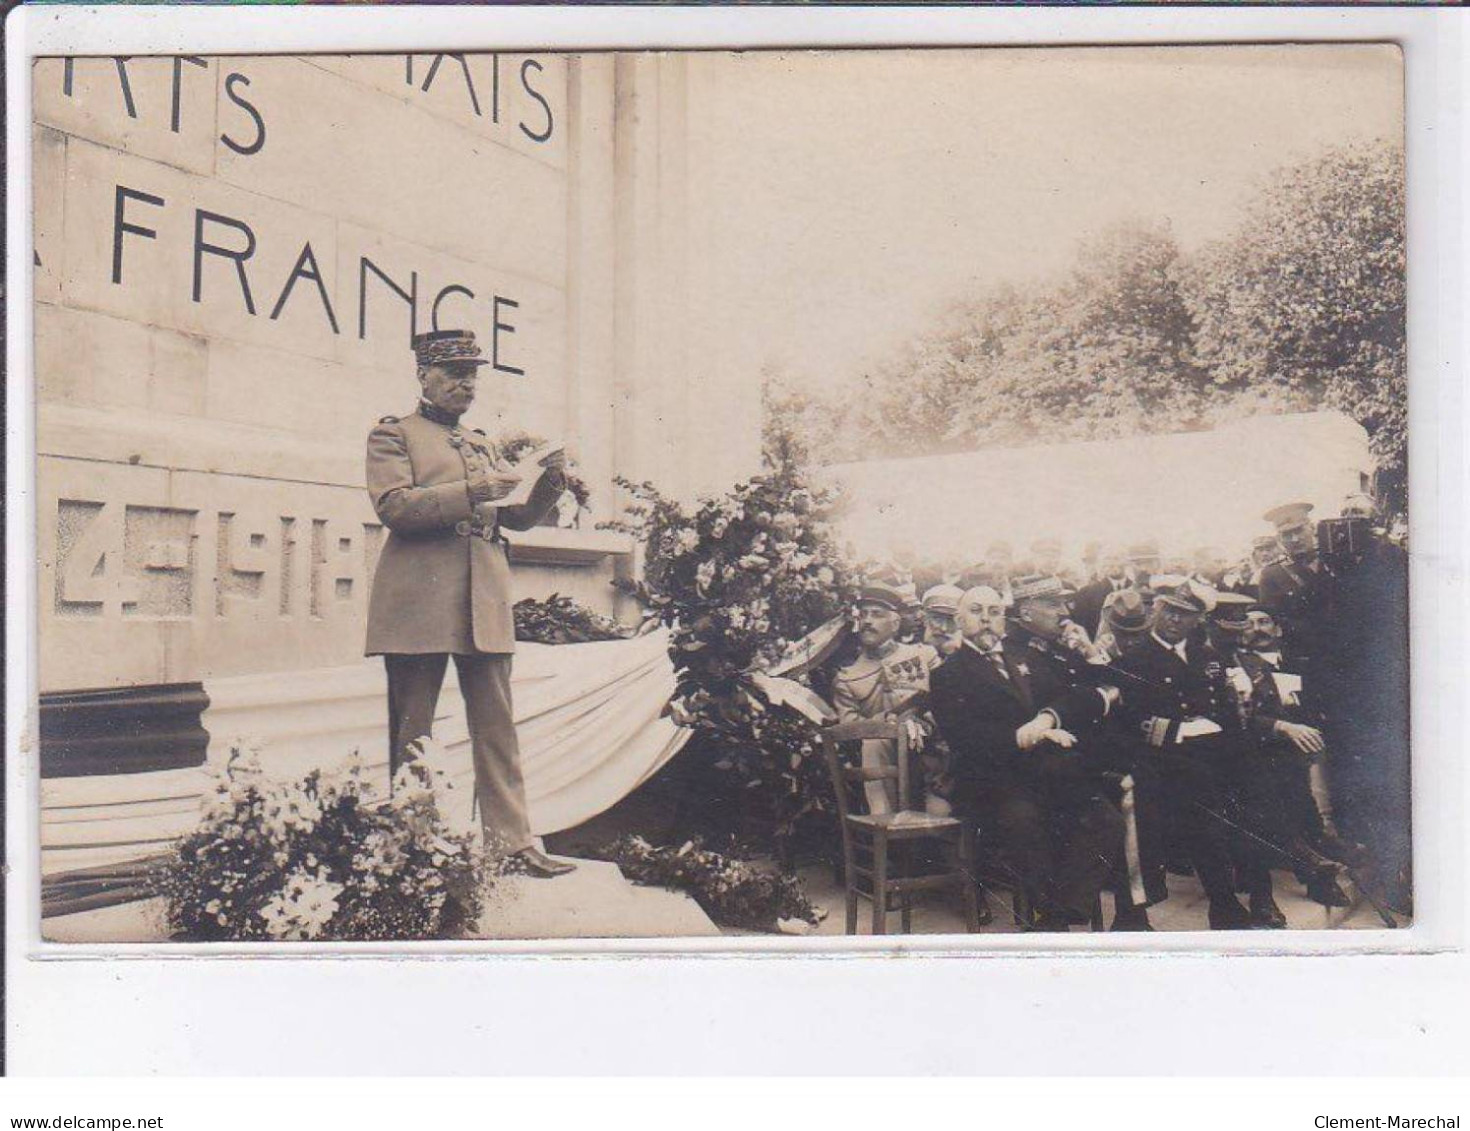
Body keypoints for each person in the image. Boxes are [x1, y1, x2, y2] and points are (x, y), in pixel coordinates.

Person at [364, 329, 575, 878]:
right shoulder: (393, 435)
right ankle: (414, 846)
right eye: (455, 372)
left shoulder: (480, 442)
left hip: (483, 599)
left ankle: (512, 844)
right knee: (414, 730)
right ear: (424, 376)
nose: (466, 383)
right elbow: (394, 509)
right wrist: (472, 494)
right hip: (418, 601)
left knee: (498, 727)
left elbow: (512, 520)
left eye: (473, 373)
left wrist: (551, 483)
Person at [929, 578, 1126, 931]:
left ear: (1005, 620)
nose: (986, 619)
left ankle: (1058, 914)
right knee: (1026, 821)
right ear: (960, 621)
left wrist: (1050, 716)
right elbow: (964, 739)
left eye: (994, 612)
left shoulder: (1024, 660)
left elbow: (1072, 693)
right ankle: (1052, 920)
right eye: (976, 612)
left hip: (1041, 773)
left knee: (1104, 817)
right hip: (988, 779)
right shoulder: (948, 674)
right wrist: (1021, 736)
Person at [1111, 578, 1267, 929]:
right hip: (1157, 760)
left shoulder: (1206, 657)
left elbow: (1224, 713)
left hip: (1206, 757)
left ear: (1198, 620)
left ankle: (1238, 901)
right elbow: (1129, 723)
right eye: (1169, 611)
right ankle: (1134, 916)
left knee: (1255, 789)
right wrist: (1181, 730)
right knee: (1195, 810)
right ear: (1156, 609)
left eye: (1185, 615)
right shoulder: (1134, 660)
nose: (1174, 621)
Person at [831, 581, 939, 815]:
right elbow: (849, 730)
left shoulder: (923, 656)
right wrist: (890, 720)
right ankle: (884, 822)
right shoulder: (847, 676)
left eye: (877, 615)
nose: (868, 621)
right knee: (874, 741)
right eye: (864, 615)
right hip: (883, 758)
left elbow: (946, 701)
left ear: (895, 623)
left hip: (929, 750)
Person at [1073, 550, 1129, 641]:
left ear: (1126, 561)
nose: (1112, 563)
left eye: (1116, 558)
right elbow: (1081, 628)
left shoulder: (1137, 589)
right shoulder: (1086, 593)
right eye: (1107, 559)